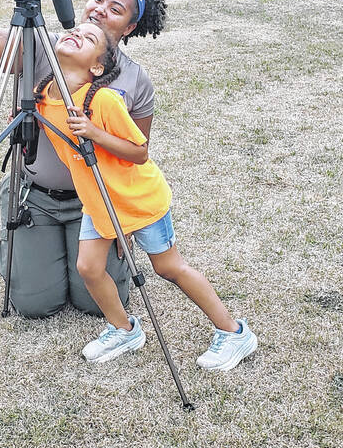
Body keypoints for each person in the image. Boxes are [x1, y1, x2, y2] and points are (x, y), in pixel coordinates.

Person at [0, 0, 166, 317]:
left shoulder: (136, 81)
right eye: (98, 0)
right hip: (36, 198)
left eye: (115, 9)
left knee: (95, 303)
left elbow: (136, 154)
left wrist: (124, 219)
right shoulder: (50, 46)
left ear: (129, 27)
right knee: (35, 304)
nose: (99, 10)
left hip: (95, 203)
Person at [35, 21, 258, 369]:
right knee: (89, 268)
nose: (76, 33)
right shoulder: (44, 94)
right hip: (99, 203)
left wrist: (93, 132)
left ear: (97, 66)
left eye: (89, 37)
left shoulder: (103, 100)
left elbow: (139, 151)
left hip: (140, 201)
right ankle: (124, 329)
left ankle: (234, 332)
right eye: (74, 30)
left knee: (169, 267)